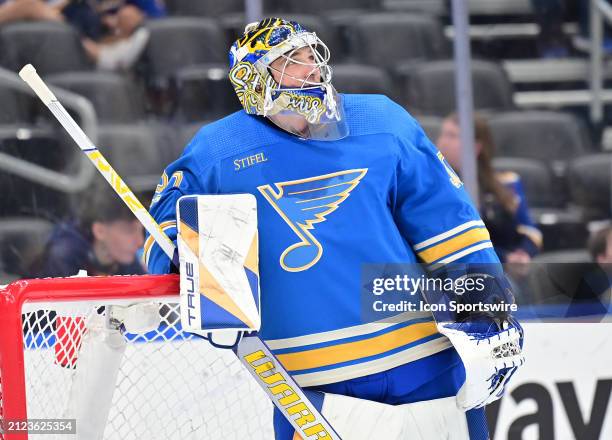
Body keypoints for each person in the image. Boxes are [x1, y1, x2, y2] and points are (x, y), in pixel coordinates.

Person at [146, 18, 523, 439]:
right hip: (309, 380)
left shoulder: (381, 119)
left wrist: (483, 296)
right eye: (291, 61)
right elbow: (162, 232)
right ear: (253, 79)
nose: (311, 68)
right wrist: (189, 263)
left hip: (424, 356)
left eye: (312, 56)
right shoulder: (218, 150)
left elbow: (445, 215)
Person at [436, 113, 542, 265]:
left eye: (452, 136)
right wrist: (505, 258)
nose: (442, 141)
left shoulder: (507, 183)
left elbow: (529, 230)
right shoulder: (437, 187)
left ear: (476, 147)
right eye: (443, 134)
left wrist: (523, 253)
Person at [32, 186, 145, 277]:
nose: (140, 242)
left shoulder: (124, 258)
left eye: (141, 230)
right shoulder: (64, 255)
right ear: (100, 231)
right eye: (129, 231)